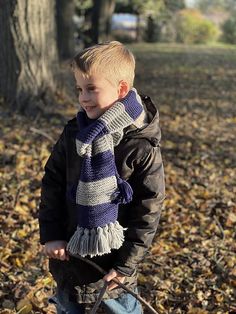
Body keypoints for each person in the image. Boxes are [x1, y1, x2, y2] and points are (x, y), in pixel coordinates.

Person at [39, 41, 165, 314]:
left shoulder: (140, 144)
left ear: (120, 90)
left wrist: (124, 265)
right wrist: (52, 234)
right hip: (71, 260)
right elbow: (53, 182)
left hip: (113, 273)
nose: (83, 98)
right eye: (79, 89)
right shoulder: (75, 132)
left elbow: (148, 208)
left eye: (91, 89)